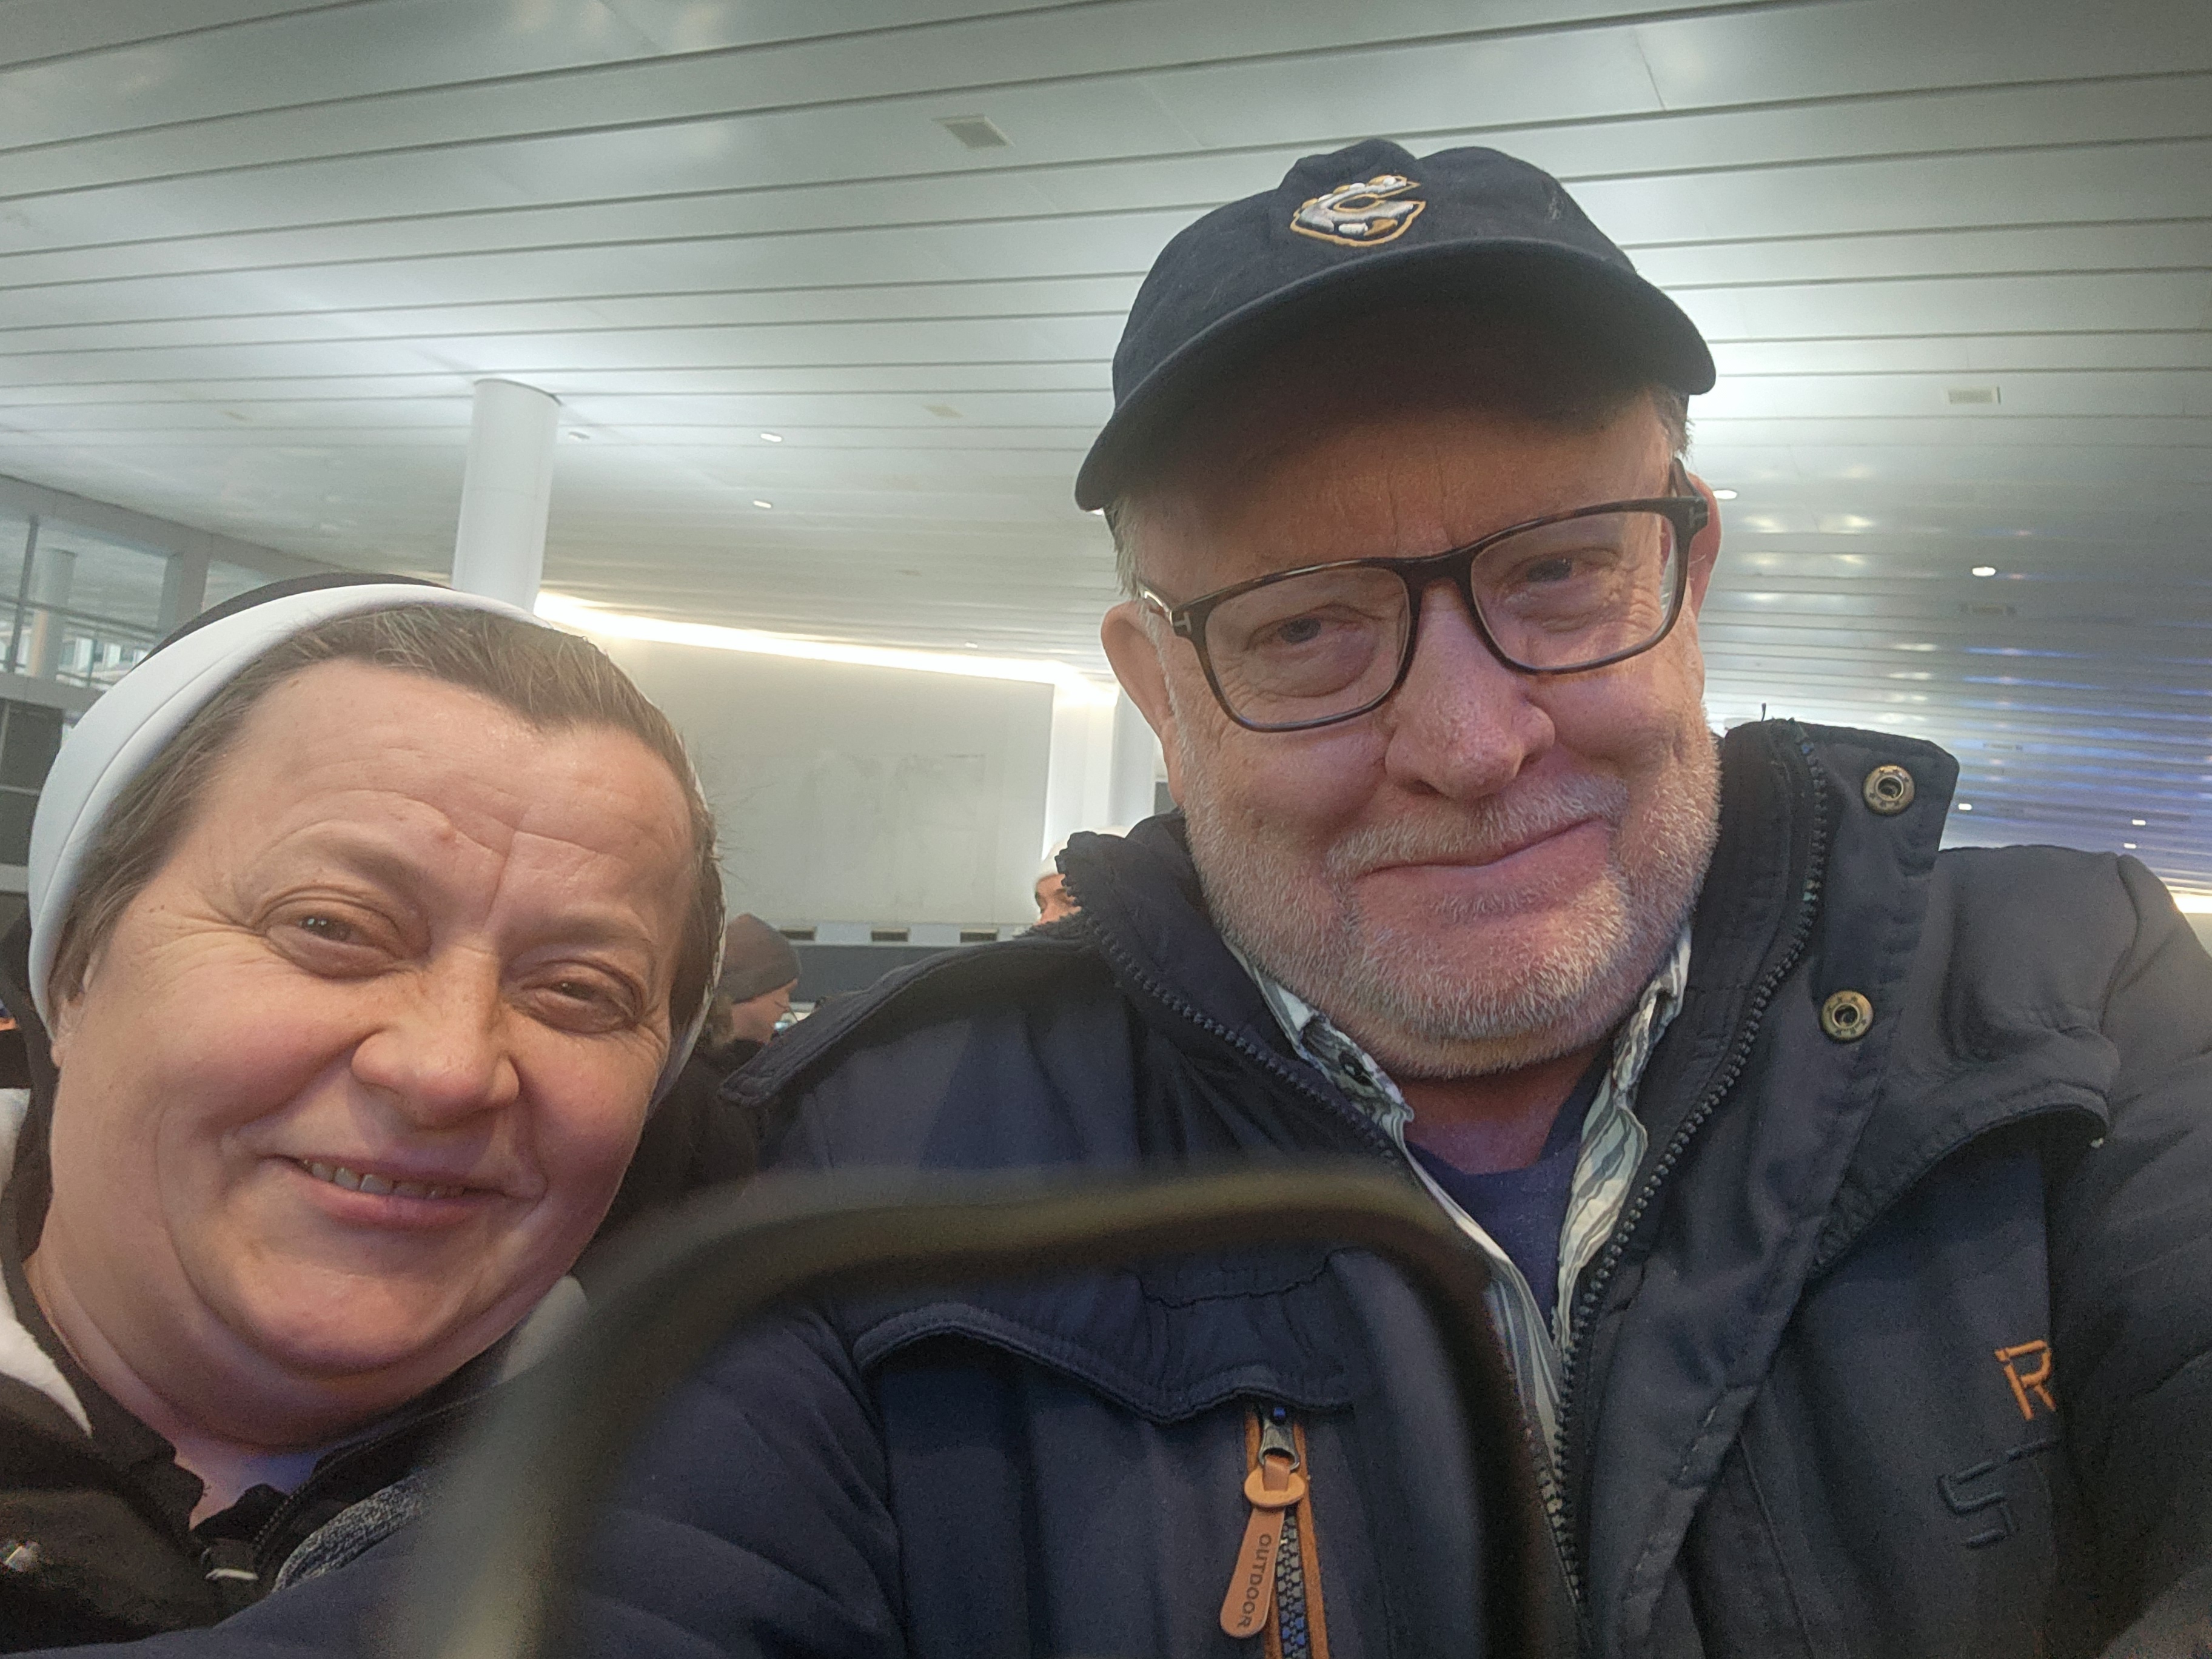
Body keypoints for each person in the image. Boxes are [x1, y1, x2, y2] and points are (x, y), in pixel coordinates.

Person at [72, 144, 2211, 1659]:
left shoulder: (2072, 996)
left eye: (1555, 571)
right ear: (1149, 688)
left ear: (1689, 567)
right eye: (1299, 627)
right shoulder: (876, 1154)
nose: (1467, 740)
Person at [0, 576, 721, 1648]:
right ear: (73, 968)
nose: (446, 1069)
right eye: (333, 926)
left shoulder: (748, 1528)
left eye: (578, 989)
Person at [582, 914, 799, 1269]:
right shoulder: (694, 1086)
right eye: (784, 994)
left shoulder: (714, 1076)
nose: (785, 1009)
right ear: (749, 992)